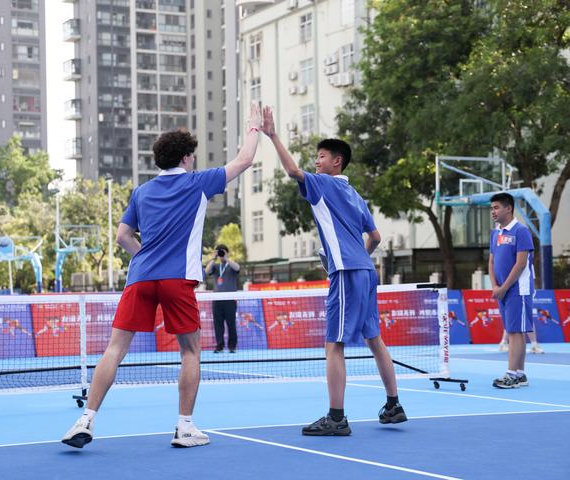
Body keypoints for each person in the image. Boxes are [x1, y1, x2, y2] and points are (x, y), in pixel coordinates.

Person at [61, 103, 262, 449]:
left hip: (140, 277)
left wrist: (146, 258)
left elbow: (123, 237)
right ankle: (185, 427)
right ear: (185, 158)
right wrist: (254, 126)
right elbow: (244, 160)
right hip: (176, 279)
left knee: (115, 349)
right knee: (190, 351)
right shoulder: (198, 183)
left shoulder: (141, 192)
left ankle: (86, 420)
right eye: (192, 156)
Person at [260, 106, 406, 436]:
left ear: (336, 162)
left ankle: (336, 418)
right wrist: (359, 258)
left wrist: (272, 135)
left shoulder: (324, 185)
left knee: (334, 345)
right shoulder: (355, 195)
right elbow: (376, 237)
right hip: (367, 272)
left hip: (347, 272)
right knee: (374, 340)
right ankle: (393, 405)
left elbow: (292, 171)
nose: (316, 161)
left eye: (321, 156)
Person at [489, 192, 535, 388]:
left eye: (496, 207)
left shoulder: (521, 231)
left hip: (518, 289)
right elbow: (491, 262)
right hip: (502, 291)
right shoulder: (495, 233)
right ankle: (519, 374)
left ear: (508, 208)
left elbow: (521, 263)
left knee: (515, 331)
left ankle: (511, 374)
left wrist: (504, 287)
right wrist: (495, 286)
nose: (493, 211)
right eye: (491, 208)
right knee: (514, 330)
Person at [205, 244, 240, 353]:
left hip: (230, 300)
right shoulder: (215, 266)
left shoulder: (232, 264)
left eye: (223, 252)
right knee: (218, 324)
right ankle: (219, 347)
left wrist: (226, 258)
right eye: (220, 253)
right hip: (217, 300)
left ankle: (232, 346)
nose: (221, 255)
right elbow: (207, 271)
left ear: (227, 253)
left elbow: (237, 268)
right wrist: (214, 257)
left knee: (231, 324)